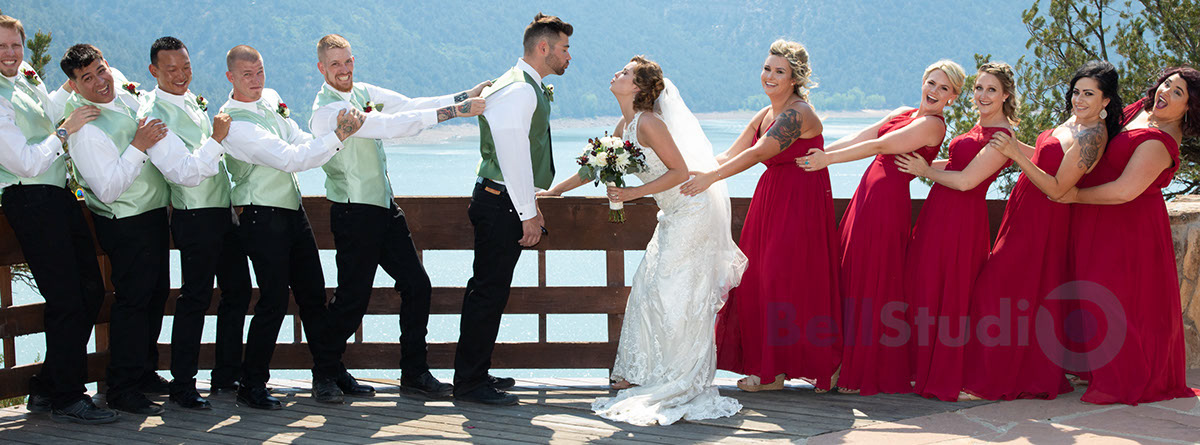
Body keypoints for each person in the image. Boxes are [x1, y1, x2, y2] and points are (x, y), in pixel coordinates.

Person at [542, 55, 746, 426]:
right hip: (672, 214)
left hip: (692, 211)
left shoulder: (650, 123)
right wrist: (555, 192)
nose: (616, 73)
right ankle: (643, 370)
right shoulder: (626, 124)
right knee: (649, 288)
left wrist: (633, 194)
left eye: (625, 72)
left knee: (675, 294)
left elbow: (679, 171)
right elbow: (595, 166)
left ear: (637, 87)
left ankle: (677, 376)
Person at [307, 33, 487, 401]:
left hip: (384, 207)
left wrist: (462, 96)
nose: (344, 69)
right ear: (322, 68)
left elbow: (408, 105)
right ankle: (325, 373)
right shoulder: (327, 112)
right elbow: (389, 126)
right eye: (335, 64)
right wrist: (455, 112)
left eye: (348, 60)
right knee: (352, 299)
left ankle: (414, 373)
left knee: (417, 285)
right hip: (354, 211)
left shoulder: (363, 91)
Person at [680, 40, 840, 393]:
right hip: (770, 200)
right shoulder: (766, 114)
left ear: (794, 79)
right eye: (767, 68)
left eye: (780, 71)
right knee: (756, 280)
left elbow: (758, 153)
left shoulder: (798, 113)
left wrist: (711, 179)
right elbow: (729, 154)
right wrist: (685, 172)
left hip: (800, 204)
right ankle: (771, 370)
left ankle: (817, 366)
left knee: (785, 280)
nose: (770, 75)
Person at [797, 60, 964, 395]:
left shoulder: (933, 125)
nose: (934, 91)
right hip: (866, 196)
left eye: (944, 88)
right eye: (931, 82)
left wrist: (826, 161)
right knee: (849, 272)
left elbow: (880, 147)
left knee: (870, 281)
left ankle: (858, 369)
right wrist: (819, 151)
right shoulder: (904, 112)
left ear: (953, 97)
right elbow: (866, 135)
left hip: (887, 204)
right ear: (922, 82)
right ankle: (835, 361)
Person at [961, 60, 1120, 400]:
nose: (1078, 99)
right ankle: (1005, 373)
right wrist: (1013, 145)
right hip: (1023, 211)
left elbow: (1059, 189)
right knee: (1015, 295)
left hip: (1043, 220)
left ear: (1106, 100)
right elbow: (1046, 157)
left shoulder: (1093, 136)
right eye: (1076, 92)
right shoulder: (1074, 121)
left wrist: (1015, 155)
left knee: (995, 290)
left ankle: (991, 382)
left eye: (1088, 94)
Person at [217, 44, 364, 409]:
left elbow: (298, 138)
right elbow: (290, 159)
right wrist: (338, 136)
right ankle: (252, 384)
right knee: (273, 301)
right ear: (230, 77)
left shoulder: (270, 99)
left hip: (292, 212)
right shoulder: (233, 123)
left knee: (313, 295)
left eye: (260, 71)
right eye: (247, 74)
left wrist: (328, 139)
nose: (256, 80)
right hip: (259, 215)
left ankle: (329, 372)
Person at [1050, 67, 1200, 405]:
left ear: (1189, 108)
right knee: (1089, 291)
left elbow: (1124, 191)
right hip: (1097, 216)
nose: (1165, 92)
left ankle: (1123, 376)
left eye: (1177, 93)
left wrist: (1072, 195)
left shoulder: (1162, 142)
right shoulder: (1140, 110)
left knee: (1117, 298)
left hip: (1128, 227)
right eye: (1166, 84)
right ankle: (1092, 365)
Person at [0, 15, 115, 424]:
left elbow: (44, 112)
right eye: (2, 47)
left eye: (15, 45)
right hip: (28, 198)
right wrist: (65, 131)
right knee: (67, 298)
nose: (10, 53)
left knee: (91, 291)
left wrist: (70, 85)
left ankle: (48, 386)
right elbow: (26, 162)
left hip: (58, 195)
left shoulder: (23, 78)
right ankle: (68, 395)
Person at [454, 13, 570, 406]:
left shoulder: (520, 83)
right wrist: (528, 212)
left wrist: (526, 203)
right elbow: (512, 153)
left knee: (488, 291)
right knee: (487, 293)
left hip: (501, 199)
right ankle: (470, 383)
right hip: (501, 201)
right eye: (564, 48)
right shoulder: (520, 89)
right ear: (543, 48)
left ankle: (476, 372)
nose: (568, 56)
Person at [893, 62, 1018, 401]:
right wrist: (912, 164)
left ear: (1005, 95)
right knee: (924, 286)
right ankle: (919, 369)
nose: (983, 95)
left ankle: (946, 375)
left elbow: (966, 181)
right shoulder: (980, 127)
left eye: (991, 90)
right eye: (979, 88)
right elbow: (956, 165)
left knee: (950, 296)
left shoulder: (1002, 136)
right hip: (938, 213)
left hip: (962, 223)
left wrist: (923, 170)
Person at [139, 36, 252, 410]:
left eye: (185, 66)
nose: (181, 75)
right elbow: (184, 173)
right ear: (154, 71)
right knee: (195, 298)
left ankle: (226, 374)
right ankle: (183, 384)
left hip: (223, 210)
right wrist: (217, 138)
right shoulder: (154, 116)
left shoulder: (191, 100)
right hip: (194, 214)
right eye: (171, 69)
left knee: (238, 290)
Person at [60, 43, 173, 415]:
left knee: (155, 295)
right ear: (75, 86)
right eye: (86, 78)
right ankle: (122, 388)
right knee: (133, 302)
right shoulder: (86, 129)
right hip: (125, 221)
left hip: (152, 214)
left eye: (101, 70)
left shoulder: (123, 95)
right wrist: (139, 145)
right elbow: (107, 190)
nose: (99, 82)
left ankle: (143, 372)